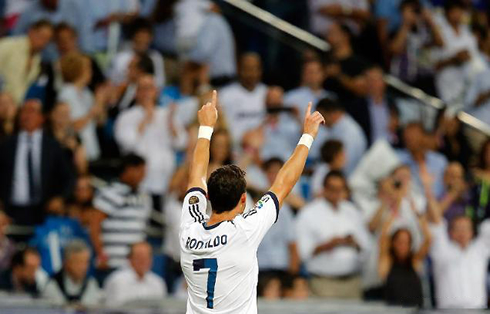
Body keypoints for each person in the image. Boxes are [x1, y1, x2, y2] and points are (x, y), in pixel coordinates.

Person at [180, 90, 324, 313]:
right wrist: (308, 135)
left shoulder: (189, 230)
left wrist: (205, 127)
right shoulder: (245, 230)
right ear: (243, 200)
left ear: (207, 197)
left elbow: (195, 174)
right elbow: (282, 183)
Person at [296, 171, 370, 299]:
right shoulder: (309, 213)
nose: (336, 193)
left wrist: (353, 243)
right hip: (324, 283)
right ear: (324, 189)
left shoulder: (352, 211)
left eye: (340, 189)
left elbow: (366, 247)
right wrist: (330, 244)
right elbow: (304, 253)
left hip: (352, 282)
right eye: (333, 189)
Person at [114, 74, 187, 205]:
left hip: (166, 179)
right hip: (142, 181)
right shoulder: (127, 116)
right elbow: (127, 144)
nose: (147, 92)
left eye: (150, 88)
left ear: (156, 91)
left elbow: (181, 142)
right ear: (136, 92)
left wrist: (171, 124)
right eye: (143, 88)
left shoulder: (165, 114)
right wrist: (145, 120)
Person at [0, 99, 74, 227]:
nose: (27, 116)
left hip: (44, 210)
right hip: (11, 210)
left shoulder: (52, 146)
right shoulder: (7, 145)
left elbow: (68, 176)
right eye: (23, 111)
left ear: (42, 117)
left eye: (32, 111)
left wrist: (60, 198)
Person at [91, 154, 152, 270]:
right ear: (128, 169)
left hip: (135, 266)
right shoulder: (109, 193)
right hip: (113, 263)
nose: (143, 176)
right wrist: (101, 255)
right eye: (140, 171)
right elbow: (94, 226)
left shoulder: (144, 196)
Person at [428, 204, 490, 308]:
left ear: (472, 232)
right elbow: (436, 221)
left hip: (477, 309)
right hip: (448, 310)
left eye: (465, 228)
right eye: (458, 228)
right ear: (450, 232)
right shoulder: (442, 250)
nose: (462, 232)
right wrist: (428, 192)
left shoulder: (480, 249)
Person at [257, 158, 301, 297]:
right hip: (259, 267)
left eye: (277, 173)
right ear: (265, 175)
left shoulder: (286, 209)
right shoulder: (254, 205)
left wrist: (292, 275)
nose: (274, 176)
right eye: (271, 172)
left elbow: (292, 243)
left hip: (281, 268)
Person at [433, 0, 487, 105]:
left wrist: (466, 57)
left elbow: (474, 57)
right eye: (454, 11)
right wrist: (455, 59)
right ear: (447, 12)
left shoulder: (467, 33)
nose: (457, 15)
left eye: (459, 11)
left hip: (465, 80)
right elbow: (434, 64)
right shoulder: (439, 32)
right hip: (445, 80)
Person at [58, 52, 108, 161]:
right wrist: (92, 112)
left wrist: (100, 102)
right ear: (77, 70)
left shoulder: (87, 93)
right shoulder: (66, 93)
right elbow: (70, 127)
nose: (91, 72)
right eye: (87, 68)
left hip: (91, 150)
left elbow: (100, 122)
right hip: (75, 153)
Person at [378, 211, 431, 307]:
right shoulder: (387, 263)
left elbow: (428, 239)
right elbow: (382, 239)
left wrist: (419, 217)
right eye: (400, 241)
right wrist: (392, 216)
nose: (403, 245)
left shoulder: (414, 261)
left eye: (406, 242)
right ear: (393, 243)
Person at [219, 53, 268, 146]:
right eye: (247, 69)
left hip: (263, 148)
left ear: (260, 71)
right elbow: (221, 126)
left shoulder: (267, 93)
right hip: (234, 147)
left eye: (255, 69)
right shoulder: (225, 95)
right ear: (239, 70)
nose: (251, 73)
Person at [0, 20, 53, 103]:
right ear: (31, 31)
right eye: (41, 36)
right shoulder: (9, 45)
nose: (43, 42)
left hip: (16, 107)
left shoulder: (37, 61)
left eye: (47, 40)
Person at [312, 98, 367, 175]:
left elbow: (345, 165)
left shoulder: (349, 133)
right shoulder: (336, 128)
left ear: (332, 114)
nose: (320, 122)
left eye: (322, 116)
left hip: (348, 178)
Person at [104, 242, 167, 306]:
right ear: (130, 259)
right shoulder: (117, 281)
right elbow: (113, 309)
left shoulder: (158, 282)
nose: (143, 261)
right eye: (139, 257)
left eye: (147, 257)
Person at [110, 18, 165, 89]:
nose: (143, 39)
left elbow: (160, 83)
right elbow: (113, 82)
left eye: (146, 37)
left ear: (151, 37)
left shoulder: (156, 57)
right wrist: (131, 78)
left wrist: (143, 79)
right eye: (140, 36)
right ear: (133, 36)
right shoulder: (121, 58)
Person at [42, 240, 101, 306]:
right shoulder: (52, 285)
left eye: (85, 262)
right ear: (66, 263)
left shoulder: (92, 284)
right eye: (78, 262)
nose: (83, 267)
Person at [396, 122, 448, 197]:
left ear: (424, 137)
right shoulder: (398, 159)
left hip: (438, 204)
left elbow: (447, 188)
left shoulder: (440, 161)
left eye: (414, 135)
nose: (410, 138)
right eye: (407, 136)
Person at [54, 22, 105, 92]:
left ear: (76, 38)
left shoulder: (89, 61)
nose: (66, 43)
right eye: (61, 40)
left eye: (69, 38)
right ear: (56, 43)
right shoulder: (53, 67)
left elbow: (101, 85)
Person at [48, 102, 88, 175]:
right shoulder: (45, 136)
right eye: (61, 113)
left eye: (67, 114)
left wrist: (75, 149)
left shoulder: (74, 137)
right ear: (53, 114)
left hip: (70, 177)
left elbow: (82, 168)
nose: (64, 117)